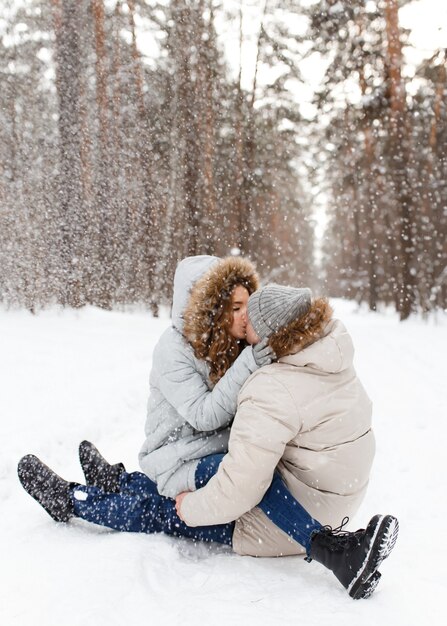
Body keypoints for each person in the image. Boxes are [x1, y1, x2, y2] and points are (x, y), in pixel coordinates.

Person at [17, 270, 397, 599]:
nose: (242, 322)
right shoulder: (326, 354)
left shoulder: (274, 383)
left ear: (269, 336)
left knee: (165, 509)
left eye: (248, 317)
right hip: (331, 497)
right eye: (236, 310)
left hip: (286, 518)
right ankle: (118, 481)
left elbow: (243, 480)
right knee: (205, 474)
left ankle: (71, 500)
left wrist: (192, 507)